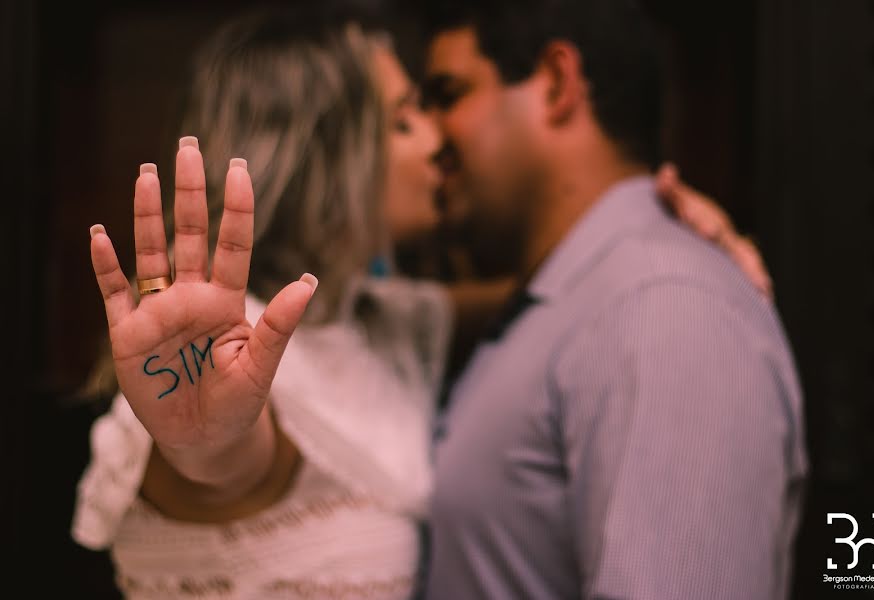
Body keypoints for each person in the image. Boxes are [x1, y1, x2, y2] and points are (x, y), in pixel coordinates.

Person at [73, 4, 777, 599]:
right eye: (409, 117)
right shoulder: (233, 349)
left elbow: (569, 293)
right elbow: (233, 467)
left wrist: (669, 235)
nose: (438, 142)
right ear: (330, 153)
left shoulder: (387, 320)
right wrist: (207, 443)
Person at [418, 1, 807, 598]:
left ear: (556, 83)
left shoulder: (666, 310)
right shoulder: (581, 299)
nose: (428, 135)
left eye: (448, 94)